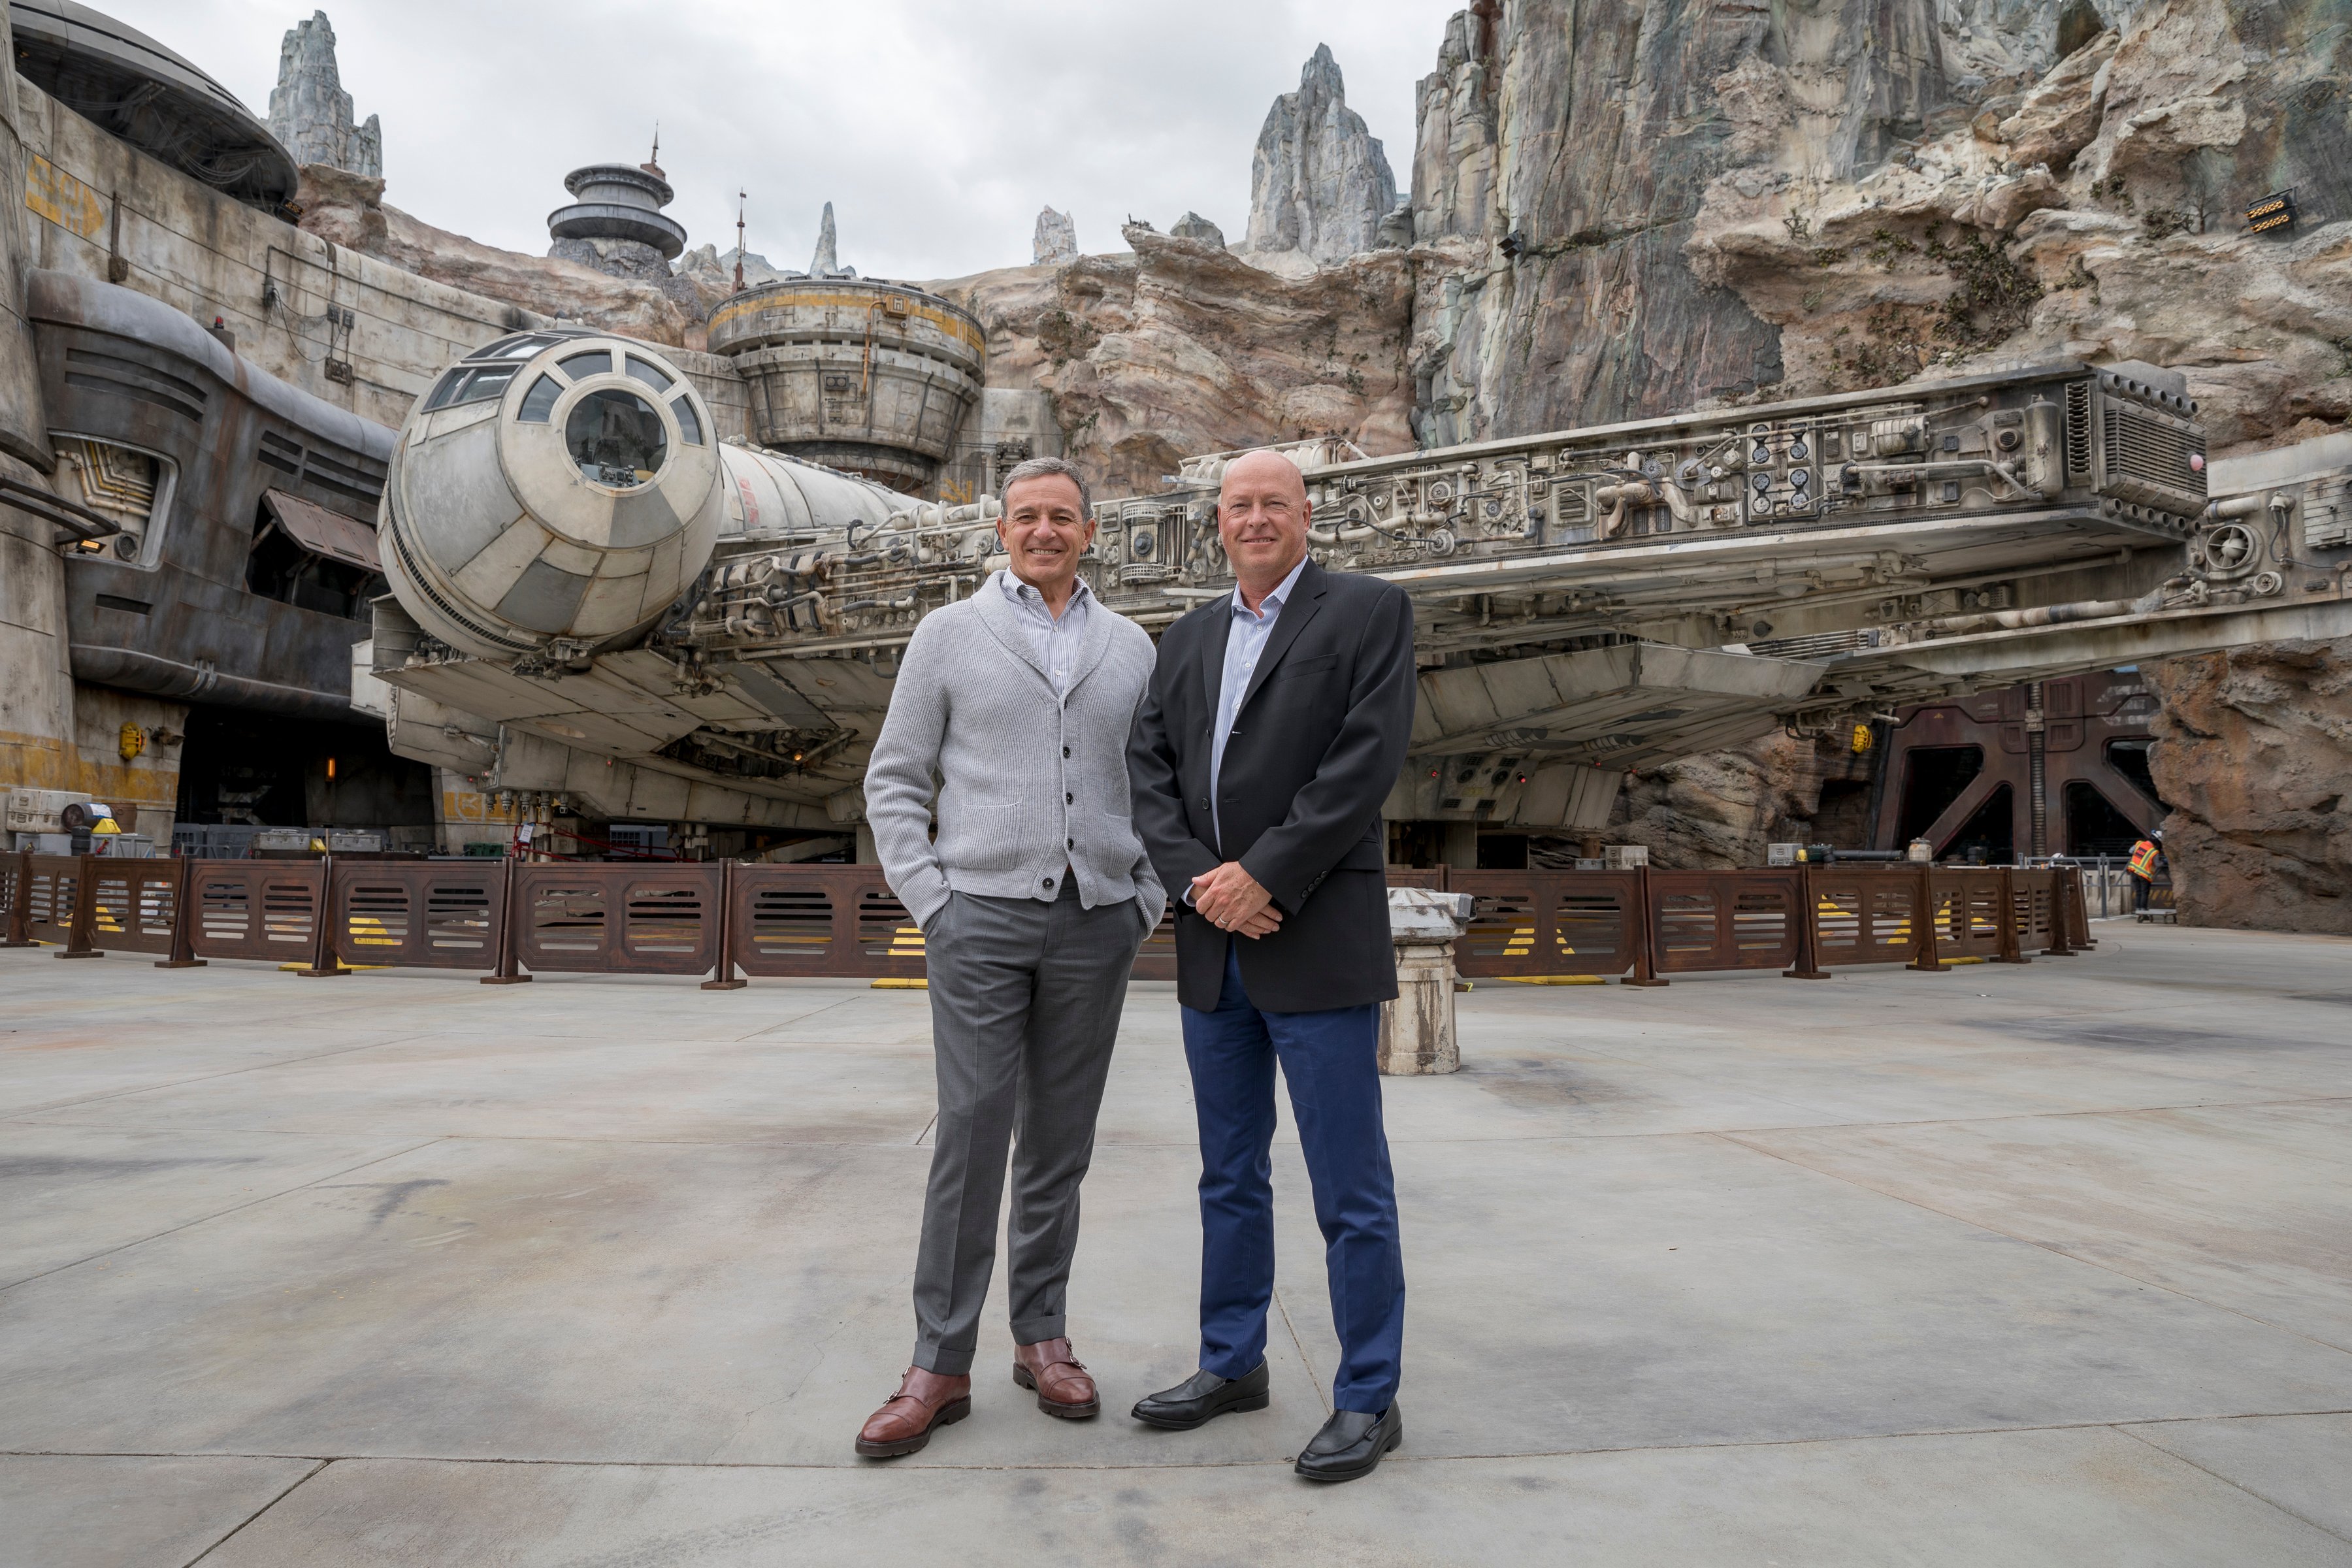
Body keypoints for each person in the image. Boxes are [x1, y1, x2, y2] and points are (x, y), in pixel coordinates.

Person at [855, 456, 1165, 1459]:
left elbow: (1157, 791)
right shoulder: (948, 635)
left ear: (1089, 530)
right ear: (1001, 531)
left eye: (1062, 516)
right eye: (1026, 515)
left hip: (1096, 919)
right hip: (979, 918)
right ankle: (938, 1362)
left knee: (1060, 1145)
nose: (1044, 529)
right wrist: (933, 901)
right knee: (973, 1131)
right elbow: (895, 777)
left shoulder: (1131, 648)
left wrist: (1144, 901)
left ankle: (1041, 1337)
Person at [1125, 448, 1418, 1484]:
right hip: (1213, 948)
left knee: (1350, 1185)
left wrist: (1266, 877)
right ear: (1217, 522)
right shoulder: (1191, 635)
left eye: (1273, 504)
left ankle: (1367, 1395)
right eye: (1238, 506)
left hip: (1317, 940)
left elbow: (1364, 762)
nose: (1256, 519)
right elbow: (1149, 771)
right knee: (1230, 1175)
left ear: (1306, 514)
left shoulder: (1370, 612)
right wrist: (1203, 881)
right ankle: (1230, 1362)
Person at [2129, 829, 2164, 920]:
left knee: (2138, 892)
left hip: (2133, 871)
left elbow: (2131, 851)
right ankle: (2143, 912)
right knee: (2144, 893)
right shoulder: (2154, 852)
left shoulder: (2139, 844)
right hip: (2144, 875)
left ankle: (2138, 912)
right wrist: (2164, 862)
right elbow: (2158, 864)